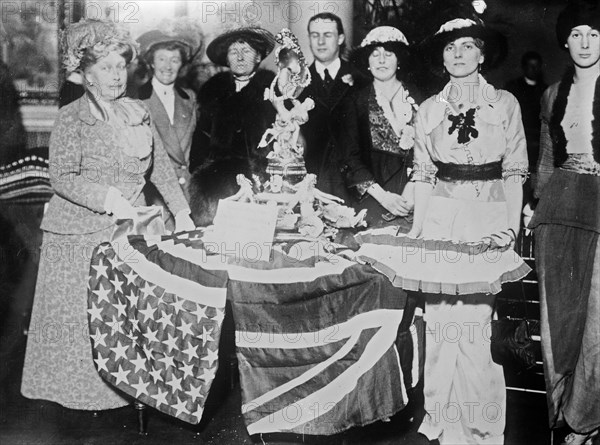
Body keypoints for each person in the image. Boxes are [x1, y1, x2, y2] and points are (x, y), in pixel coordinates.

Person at [20, 19, 195, 411]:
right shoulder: (71, 116)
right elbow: (61, 177)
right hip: (79, 234)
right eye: (106, 67)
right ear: (86, 75)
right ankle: (82, 399)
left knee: (123, 318)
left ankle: (126, 390)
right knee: (83, 322)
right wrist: (107, 197)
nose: (117, 75)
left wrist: (181, 212)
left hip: (129, 229)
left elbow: (161, 169)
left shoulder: (138, 111)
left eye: (121, 65)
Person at [407, 4, 528, 444]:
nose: (458, 53)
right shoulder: (427, 110)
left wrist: (511, 230)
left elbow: (515, 172)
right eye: (450, 47)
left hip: (489, 216)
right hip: (441, 215)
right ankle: (440, 417)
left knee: (476, 324)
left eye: (468, 46)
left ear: (482, 55)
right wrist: (418, 232)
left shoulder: (505, 104)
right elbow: (422, 175)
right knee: (440, 321)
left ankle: (479, 427)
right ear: (442, 57)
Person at [530, 0, 600, 443]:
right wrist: (534, 209)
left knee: (598, 317)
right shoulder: (552, 95)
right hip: (558, 208)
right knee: (558, 318)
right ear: (564, 40)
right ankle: (562, 415)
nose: (585, 42)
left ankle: (586, 419)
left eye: (594, 34)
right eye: (576, 34)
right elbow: (546, 161)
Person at [336, 26, 419, 230]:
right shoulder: (355, 101)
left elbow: (431, 151)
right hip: (373, 200)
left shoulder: (420, 98)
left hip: (417, 196)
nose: (381, 60)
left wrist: (414, 188)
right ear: (367, 62)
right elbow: (349, 158)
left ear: (399, 60)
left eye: (388, 54)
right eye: (375, 54)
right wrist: (383, 197)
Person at [299, 13, 367, 200]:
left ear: (341, 39)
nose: (320, 41)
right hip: (311, 183)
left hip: (353, 184)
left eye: (327, 35)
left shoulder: (361, 79)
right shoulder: (297, 83)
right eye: (315, 35)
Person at [189, 26, 276, 171]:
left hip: (264, 180)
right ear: (227, 60)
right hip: (220, 183)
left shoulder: (273, 93)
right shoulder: (212, 95)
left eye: (246, 51)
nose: (240, 58)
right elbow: (200, 146)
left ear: (258, 57)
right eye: (234, 52)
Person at [137, 22, 202, 198]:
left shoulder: (190, 98)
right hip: (154, 193)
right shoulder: (136, 100)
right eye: (162, 59)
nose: (168, 67)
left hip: (187, 191)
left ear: (181, 64)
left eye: (174, 60)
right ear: (151, 62)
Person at [505, 51, 547, 205]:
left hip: (538, 148)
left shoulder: (546, 90)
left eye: (536, 66)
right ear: (524, 67)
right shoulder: (513, 88)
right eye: (530, 66)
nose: (533, 70)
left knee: (536, 192)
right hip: (517, 144)